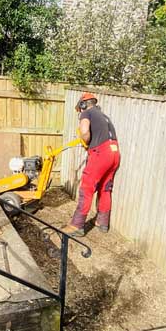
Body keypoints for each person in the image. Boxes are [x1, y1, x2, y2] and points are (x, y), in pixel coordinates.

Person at [62, 92, 120, 237]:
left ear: (83, 104)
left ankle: (76, 225)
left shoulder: (87, 113)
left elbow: (84, 131)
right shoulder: (104, 116)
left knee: (86, 188)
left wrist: (86, 142)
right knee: (106, 188)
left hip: (101, 154)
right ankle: (102, 222)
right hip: (114, 152)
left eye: (80, 108)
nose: (80, 111)